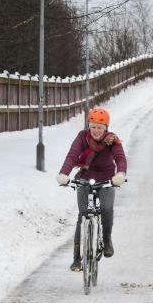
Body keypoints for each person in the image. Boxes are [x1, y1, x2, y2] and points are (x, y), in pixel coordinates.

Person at [57, 107, 127, 272]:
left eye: (100, 127)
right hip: (85, 177)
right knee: (82, 215)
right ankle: (76, 258)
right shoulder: (82, 137)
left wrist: (121, 174)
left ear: (106, 129)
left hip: (107, 179)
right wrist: (64, 173)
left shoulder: (112, 140)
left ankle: (107, 239)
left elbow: (120, 158)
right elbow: (72, 155)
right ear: (89, 126)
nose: (96, 130)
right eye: (93, 126)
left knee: (107, 208)